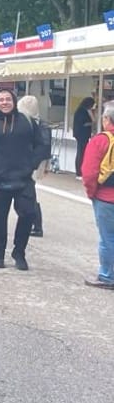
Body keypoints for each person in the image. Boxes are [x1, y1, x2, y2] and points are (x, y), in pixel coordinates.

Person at [0, 88, 51, 270]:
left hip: (23, 178)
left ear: (14, 101)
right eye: (1, 100)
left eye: (8, 99)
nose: (5, 102)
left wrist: (32, 164)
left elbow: (42, 145)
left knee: (28, 213)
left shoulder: (28, 122)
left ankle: (19, 252)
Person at [81, 100, 114, 290]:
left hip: (106, 197)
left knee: (107, 237)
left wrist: (91, 192)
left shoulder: (100, 140)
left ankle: (107, 276)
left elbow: (89, 172)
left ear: (107, 119)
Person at [16, 95, 48, 237]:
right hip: (35, 162)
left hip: (32, 162)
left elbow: (43, 146)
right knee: (29, 192)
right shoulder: (41, 123)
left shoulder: (32, 124)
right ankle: (36, 224)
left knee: (29, 193)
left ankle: (36, 224)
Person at [73, 97, 97, 179]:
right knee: (81, 152)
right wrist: (91, 122)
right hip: (81, 134)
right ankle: (79, 172)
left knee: (81, 152)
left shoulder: (81, 110)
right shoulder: (82, 111)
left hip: (82, 134)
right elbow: (87, 122)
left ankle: (80, 172)